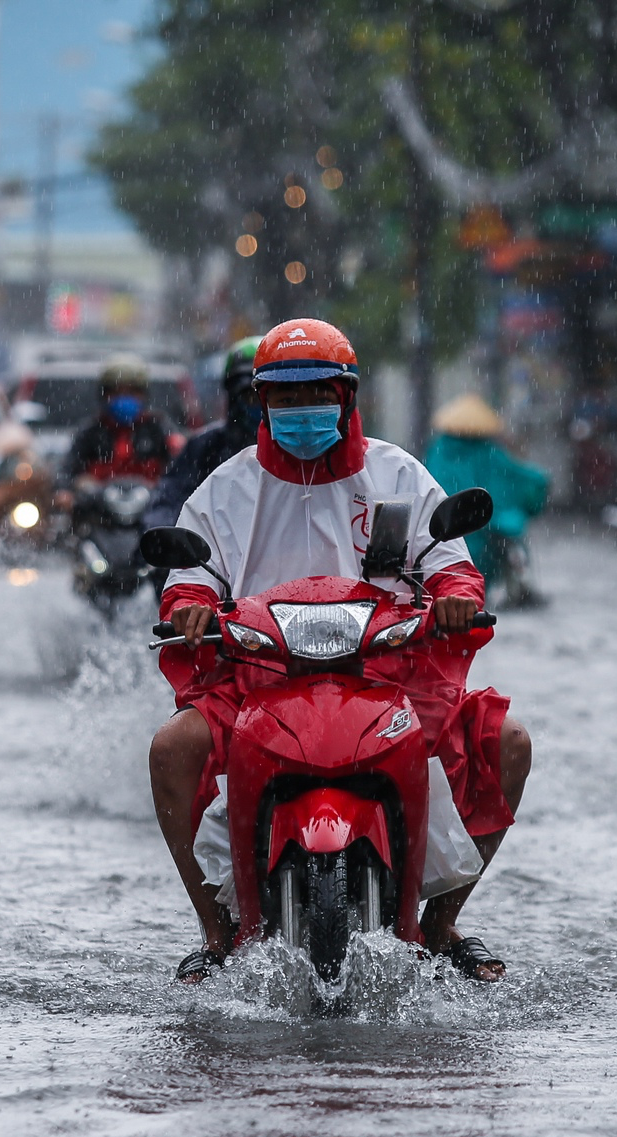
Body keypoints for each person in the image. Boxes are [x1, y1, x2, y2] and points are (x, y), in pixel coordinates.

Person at [148, 318, 532, 984]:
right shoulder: (225, 489)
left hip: (387, 675)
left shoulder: (397, 474)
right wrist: (188, 608)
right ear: (261, 404)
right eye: (286, 399)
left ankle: (441, 927)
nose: (303, 411)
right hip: (256, 679)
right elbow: (190, 578)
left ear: (348, 397)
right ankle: (215, 933)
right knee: (169, 750)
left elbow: (449, 560)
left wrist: (454, 593)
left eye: (318, 394)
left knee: (510, 743)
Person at [423, 393, 551, 609]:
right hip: (482, 529)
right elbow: (522, 478)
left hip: (444, 530)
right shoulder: (489, 451)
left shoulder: (438, 450)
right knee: (478, 590)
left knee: (449, 586)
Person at [143, 336, 261, 531]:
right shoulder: (205, 446)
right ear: (234, 397)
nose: (260, 406)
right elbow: (170, 500)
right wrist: (162, 539)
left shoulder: (306, 449)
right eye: (251, 396)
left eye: (274, 397)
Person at [58, 356, 174, 502]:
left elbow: (179, 465)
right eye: (117, 392)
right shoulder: (91, 432)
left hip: (150, 513)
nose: (123, 398)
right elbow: (67, 468)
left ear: (143, 396)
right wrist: (66, 490)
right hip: (99, 513)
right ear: (105, 396)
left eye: (131, 393)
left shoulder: (158, 429)